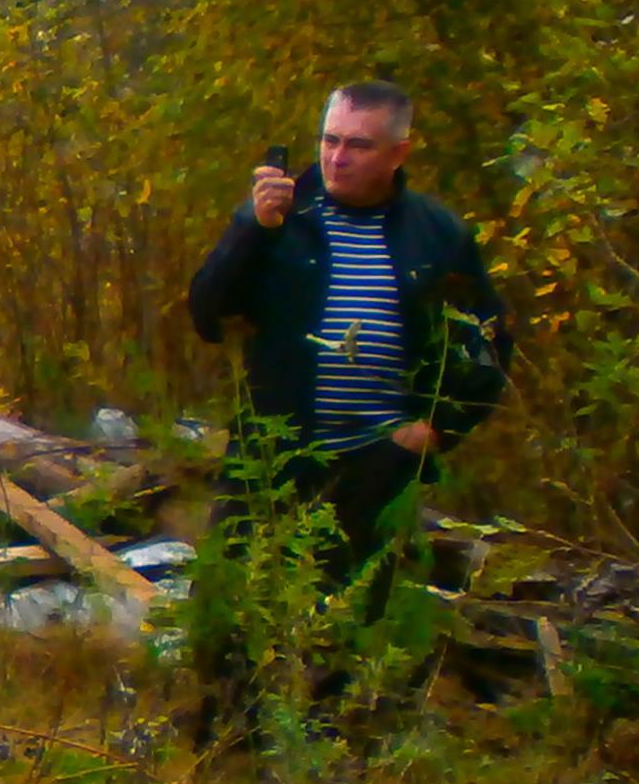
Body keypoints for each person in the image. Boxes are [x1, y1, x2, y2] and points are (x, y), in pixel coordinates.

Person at [185, 80, 511, 595]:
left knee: (349, 624)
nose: (337, 159)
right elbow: (207, 314)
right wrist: (254, 230)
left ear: (398, 152)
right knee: (230, 615)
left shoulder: (438, 233)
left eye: (359, 145)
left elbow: (487, 347)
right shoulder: (281, 218)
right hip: (272, 455)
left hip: (378, 466)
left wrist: (435, 430)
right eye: (329, 140)